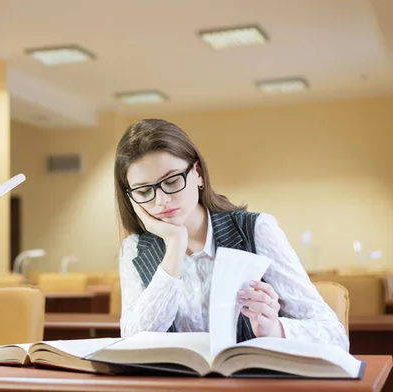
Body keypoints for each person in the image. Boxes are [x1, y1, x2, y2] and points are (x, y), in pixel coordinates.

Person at [113, 118, 349, 351]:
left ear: (198, 174)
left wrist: (274, 330)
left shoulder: (256, 230)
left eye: (172, 181)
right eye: (143, 191)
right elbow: (133, 340)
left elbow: (334, 335)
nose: (161, 201)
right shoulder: (134, 249)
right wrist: (175, 244)